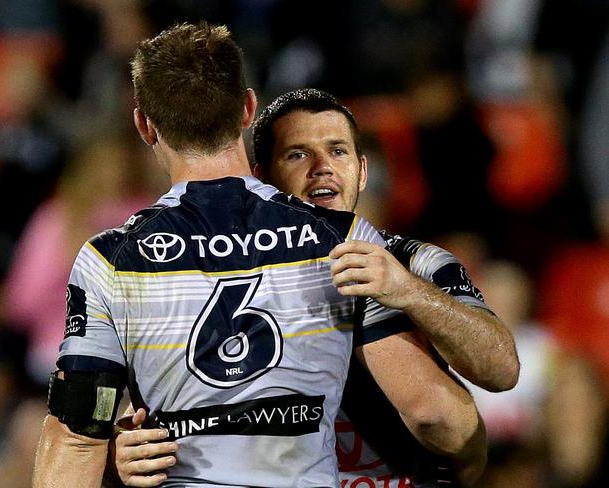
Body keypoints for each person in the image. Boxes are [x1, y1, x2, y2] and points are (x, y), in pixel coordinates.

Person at [32, 24, 485, 487]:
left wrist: (111, 460)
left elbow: (77, 435)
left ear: (145, 125)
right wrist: (469, 462)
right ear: (248, 108)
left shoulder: (111, 259)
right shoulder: (339, 237)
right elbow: (432, 411)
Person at [111, 87, 517, 487]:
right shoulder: (215, 279)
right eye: (297, 154)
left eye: (338, 151)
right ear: (262, 178)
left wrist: (408, 292)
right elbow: (154, 418)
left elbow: (501, 370)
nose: (322, 166)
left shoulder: (418, 264)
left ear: (362, 171)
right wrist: (123, 458)